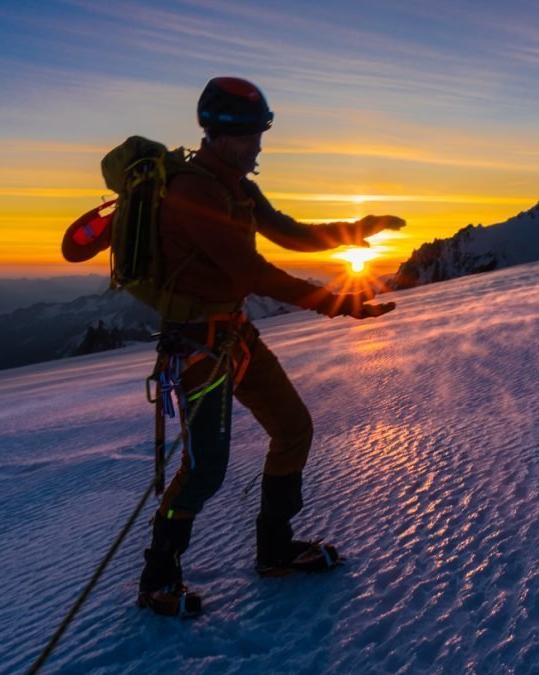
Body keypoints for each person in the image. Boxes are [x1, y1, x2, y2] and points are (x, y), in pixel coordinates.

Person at [137, 77, 403, 616]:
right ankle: (156, 579)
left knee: (293, 428)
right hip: (197, 345)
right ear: (223, 134)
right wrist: (339, 304)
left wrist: (356, 230)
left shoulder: (236, 184)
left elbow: (288, 231)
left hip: (233, 335)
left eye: (261, 133)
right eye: (253, 135)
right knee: (207, 469)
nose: (260, 145)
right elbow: (251, 270)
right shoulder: (194, 191)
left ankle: (275, 548)